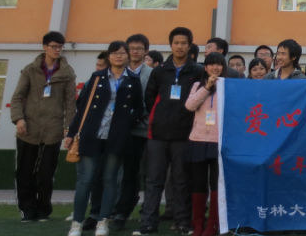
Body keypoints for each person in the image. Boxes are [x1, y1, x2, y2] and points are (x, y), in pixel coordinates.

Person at [66, 41, 145, 236]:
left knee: (110, 180)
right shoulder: (97, 77)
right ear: (109, 56)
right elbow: (82, 107)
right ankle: (77, 223)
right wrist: (71, 133)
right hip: (92, 135)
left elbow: (138, 108)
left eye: (122, 53)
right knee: (85, 180)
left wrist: (126, 122)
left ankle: (103, 221)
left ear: (127, 56)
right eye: (115, 53)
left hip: (116, 138)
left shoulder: (133, 80)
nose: (119, 56)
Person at [138, 27, 205, 235]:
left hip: (184, 134)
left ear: (190, 46)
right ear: (170, 45)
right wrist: (161, 116)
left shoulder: (197, 71)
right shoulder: (159, 71)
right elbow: (150, 98)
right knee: (154, 180)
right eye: (176, 43)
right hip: (157, 134)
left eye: (184, 43)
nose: (180, 47)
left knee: (181, 180)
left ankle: (182, 221)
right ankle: (148, 221)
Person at [11, 31, 77, 223]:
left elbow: (70, 103)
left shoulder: (67, 73)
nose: (57, 50)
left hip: (53, 129)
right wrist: (19, 119)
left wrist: (69, 128)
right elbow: (17, 97)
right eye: (54, 46)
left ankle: (43, 210)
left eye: (60, 47)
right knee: (25, 171)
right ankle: (27, 209)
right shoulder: (30, 70)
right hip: (28, 128)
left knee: (46, 173)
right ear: (45, 47)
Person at [111, 34, 155, 231]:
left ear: (146, 51)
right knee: (117, 172)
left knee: (137, 172)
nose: (135, 52)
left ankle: (129, 209)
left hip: (142, 130)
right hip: (117, 130)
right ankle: (114, 209)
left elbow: (152, 101)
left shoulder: (152, 74)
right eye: (131, 48)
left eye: (139, 48)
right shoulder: (117, 71)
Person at [185, 52, 227, 236]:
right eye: (211, 64)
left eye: (219, 64)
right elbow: (190, 106)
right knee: (198, 183)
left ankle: (213, 224)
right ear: (205, 67)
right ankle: (198, 224)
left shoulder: (227, 86)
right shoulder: (197, 85)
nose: (215, 67)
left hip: (219, 141)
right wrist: (207, 87)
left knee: (216, 184)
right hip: (198, 139)